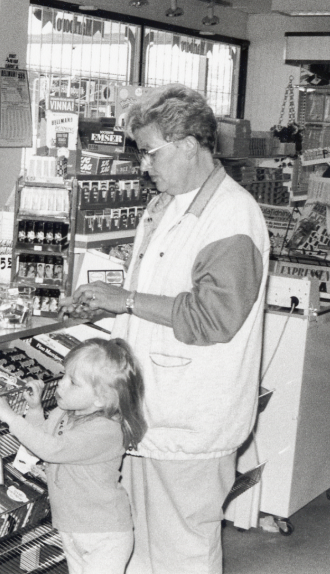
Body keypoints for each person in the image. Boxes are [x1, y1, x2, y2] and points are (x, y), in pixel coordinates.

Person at [61, 84, 269, 574]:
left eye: (151, 152)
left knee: (182, 554)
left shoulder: (231, 218)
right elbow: (156, 290)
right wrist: (106, 307)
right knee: (144, 553)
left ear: (190, 146)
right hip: (151, 414)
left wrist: (127, 300)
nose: (144, 165)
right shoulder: (169, 203)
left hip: (190, 420)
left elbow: (213, 318)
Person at [0, 338, 147, 574]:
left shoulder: (106, 430)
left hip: (104, 535)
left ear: (100, 398)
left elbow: (52, 449)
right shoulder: (64, 412)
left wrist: (11, 417)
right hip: (71, 526)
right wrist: (34, 410)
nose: (61, 385)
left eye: (73, 382)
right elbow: (39, 442)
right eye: (64, 376)